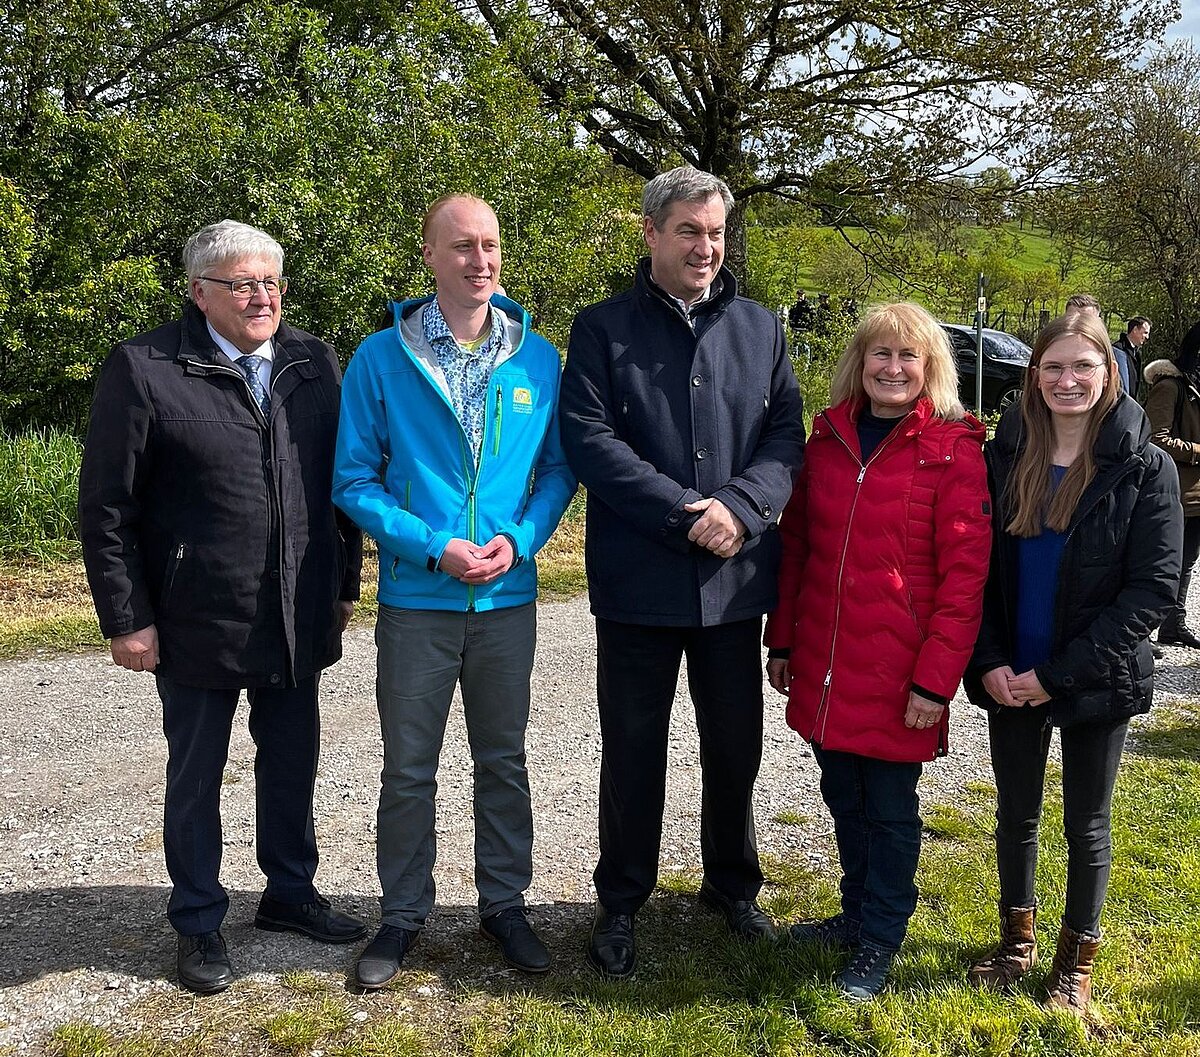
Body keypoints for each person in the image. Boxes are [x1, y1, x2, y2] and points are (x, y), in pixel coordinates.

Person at [78, 220, 366, 995]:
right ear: (199, 291)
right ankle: (199, 919)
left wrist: (344, 586)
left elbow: (338, 486)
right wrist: (126, 616)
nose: (262, 296)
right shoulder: (145, 368)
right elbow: (106, 507)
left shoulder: (312, 360)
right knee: (197, 772)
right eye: (243, 283)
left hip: (297, 609)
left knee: (292, 761)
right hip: (195, 614)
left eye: (272, 281)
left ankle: (290, 892)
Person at [560, 166, 806, 978]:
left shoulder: (762, 329)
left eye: (715, 232)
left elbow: (784, 438)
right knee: (633, 749)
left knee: (734, 746)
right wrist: (685, 512)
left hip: (734, 584)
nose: (706, 247)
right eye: (689, 231)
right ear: (651, 233)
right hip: (639, 582)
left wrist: (739, 506)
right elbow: (591, 441)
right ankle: (622, 899)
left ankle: (731, 886)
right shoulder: (600, 330)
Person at [333, 195, 575, 989]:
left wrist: (524, 538)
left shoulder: (538, 358)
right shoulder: (380, 357)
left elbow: (559, 470)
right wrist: (434, 547)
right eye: (463, 247)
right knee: (409, 767)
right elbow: (353, 480)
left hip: (508, 602)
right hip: (417, 600)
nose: (481, 260)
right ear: (430, 255)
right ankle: (402, 913)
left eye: (492, 246)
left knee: (502, 760)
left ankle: (504, 904)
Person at [764, 302, 991, 1001]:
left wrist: (935, 681)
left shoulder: (953, 449)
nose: (893, 369)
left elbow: (964, 577)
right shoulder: (827, 440)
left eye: (908, 357)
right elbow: (797, 543)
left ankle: (881, 937)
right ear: (859, 363)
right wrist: (783, 639)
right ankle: (855, 911)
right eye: (880, 355)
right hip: (828, 666)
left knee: (890, 809)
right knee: (841, 795)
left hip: (902, 674)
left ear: (930, 369)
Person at [964, 312, 1181, 1019]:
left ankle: (1073, 967)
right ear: (1034, 375)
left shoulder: (1147, 467)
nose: (1067, 380)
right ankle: (1015, 944)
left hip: (1093, 675)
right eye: (1053, 366)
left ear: (1108, 373)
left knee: (1086, 824)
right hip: (1009, 673)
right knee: (1015, 815)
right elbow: (977, 570)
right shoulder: (1004, 457)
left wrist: (1058, 674)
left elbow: (1152, 590)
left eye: (1082, 367)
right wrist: (991, 659)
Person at [1143, 320, 1200, 648]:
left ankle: (1173, 625)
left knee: (1187, 561)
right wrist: (1196, 452)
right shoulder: (1171, 386)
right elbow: (1155, 438)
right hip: (1173, 492)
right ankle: (1144, 633)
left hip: (1195, 494)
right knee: (1161, 564)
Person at [1114, 316, 1152, 399]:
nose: (1147, 337)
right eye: (1145, 333)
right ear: (1135, 330)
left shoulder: (1136, 354)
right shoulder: (1119, 350)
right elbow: (1123, 386)